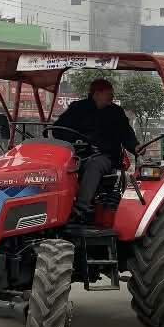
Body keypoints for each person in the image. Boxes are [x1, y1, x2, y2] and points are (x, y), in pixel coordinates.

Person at [51, 78, 139, 223]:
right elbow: (58, 129)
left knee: (94, 165)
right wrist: (76, 140)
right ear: (97, 94)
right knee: (56, 165)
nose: (112, 96)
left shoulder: (116, 112)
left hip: (105, 156)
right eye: (109, 93)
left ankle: (80, 209)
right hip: (76, 154)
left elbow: (126, 133)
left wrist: (135, 146)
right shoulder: (77, 108)